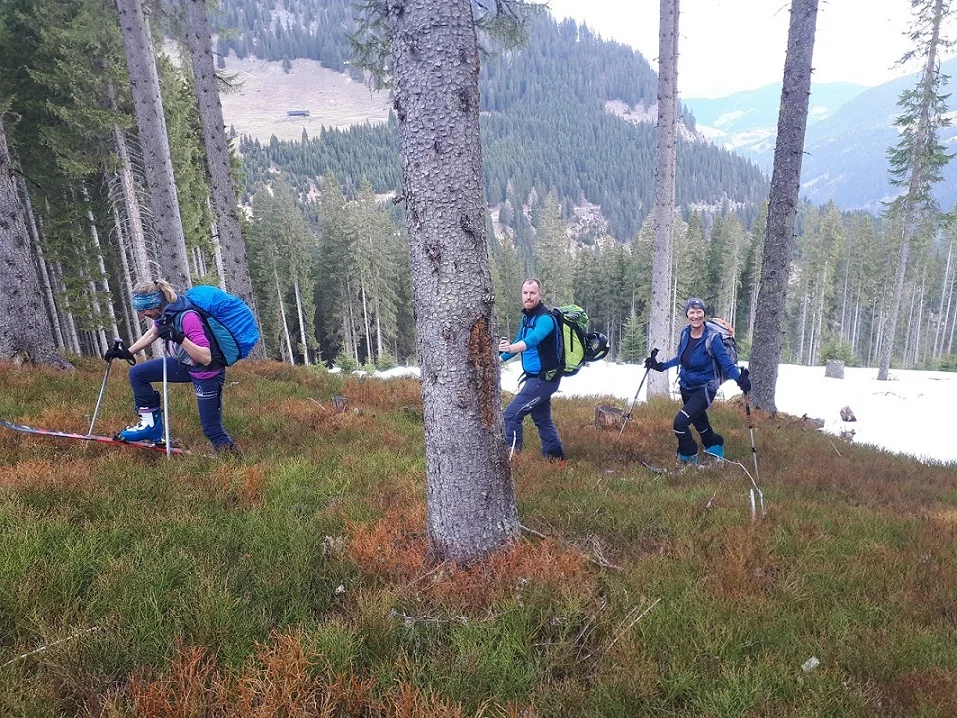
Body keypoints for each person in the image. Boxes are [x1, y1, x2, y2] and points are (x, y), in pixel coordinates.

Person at [103, 279, 238, 454]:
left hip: (207, 373)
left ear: (156, 303)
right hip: (185, 365)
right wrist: (127, 352)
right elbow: (152, 333)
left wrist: (179, 338)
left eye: (144, 309)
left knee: (211, 429)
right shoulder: (165, 315)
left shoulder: (188, 317)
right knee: (137, 373)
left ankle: (235, 464)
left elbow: (205, 357)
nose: (142, 315)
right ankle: (151, 426)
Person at [644, 297, 751, 464]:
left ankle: (688, 454)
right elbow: (682, 357)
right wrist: (661, 366)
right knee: (699, 421)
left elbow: (726, 362)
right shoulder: (685, 333)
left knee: (680, 423)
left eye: (699, 311)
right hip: (686, 386)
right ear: (687, 314)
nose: (695, 316)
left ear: (704, 314)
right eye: (692, 312)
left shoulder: (712, 338)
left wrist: (740, 379)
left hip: (705, 389)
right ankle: (714, 444)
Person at [499, 278, 565, 462]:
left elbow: (532, 340)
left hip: (544, 379)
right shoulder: (527, 318)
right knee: (542, 417)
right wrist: (497, 360)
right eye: (525, 293)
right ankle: (556, 460)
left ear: (539, 294)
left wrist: (510, 348)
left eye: (532, 293)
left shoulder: (545, 319)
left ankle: (511, 461)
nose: (528, 297)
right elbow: (516, 342)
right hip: (534, 378)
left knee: (512, 415)